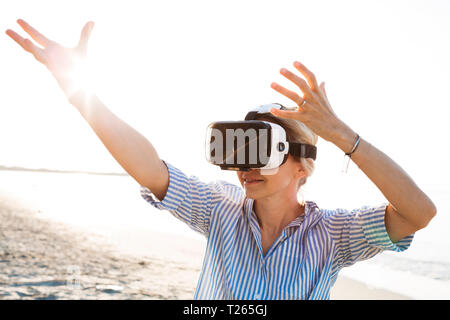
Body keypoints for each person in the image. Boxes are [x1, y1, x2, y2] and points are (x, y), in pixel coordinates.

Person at [5, 19, 437, 300]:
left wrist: (342, 135)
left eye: (260, 152)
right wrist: (80, 94)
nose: (245, 168)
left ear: (301, 167)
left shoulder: (334, 236)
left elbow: (418, 212)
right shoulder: (220, 208)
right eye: (238, 151)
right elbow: (150, 168)